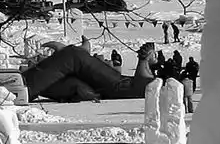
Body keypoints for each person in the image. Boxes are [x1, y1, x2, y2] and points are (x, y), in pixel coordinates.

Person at [23, 41, 157, 102]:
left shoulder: (159, 83)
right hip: (118, 83)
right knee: (71, 81)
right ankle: (24, 84)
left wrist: (144, 59)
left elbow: (141, 86)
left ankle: (26, 85)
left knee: (73, 55)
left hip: (118, 85)